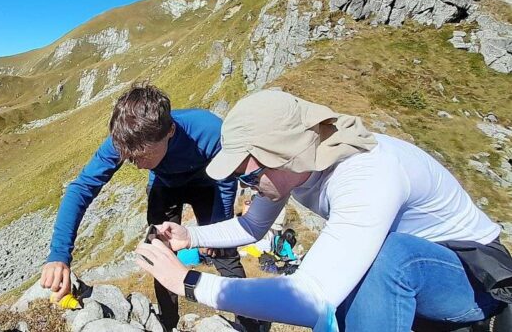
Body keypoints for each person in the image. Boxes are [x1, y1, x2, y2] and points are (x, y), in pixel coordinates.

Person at [136, 90, 512, 331]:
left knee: (388, 257)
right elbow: (252, 226)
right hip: (410, 277)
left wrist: (189, 282)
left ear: (282, 153)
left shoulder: (368, 173)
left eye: (247, 176)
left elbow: (310, 297)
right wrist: (192, 235)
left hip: (474, 277)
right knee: (363, 269)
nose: (245, 186)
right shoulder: (300, 166)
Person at [40, 83, 263, 330]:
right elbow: (81, 188)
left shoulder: (209, 130)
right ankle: (168, 324)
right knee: (160, 253)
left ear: (170, 131)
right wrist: (59, 255)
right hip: (164, 189)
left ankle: (250, 323)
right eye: (130, 157)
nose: (136, 164)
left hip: (207, 186)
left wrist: (218, 226)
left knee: (224, 253)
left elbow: (227, 180)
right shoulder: (125, 139)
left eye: (143, 156)